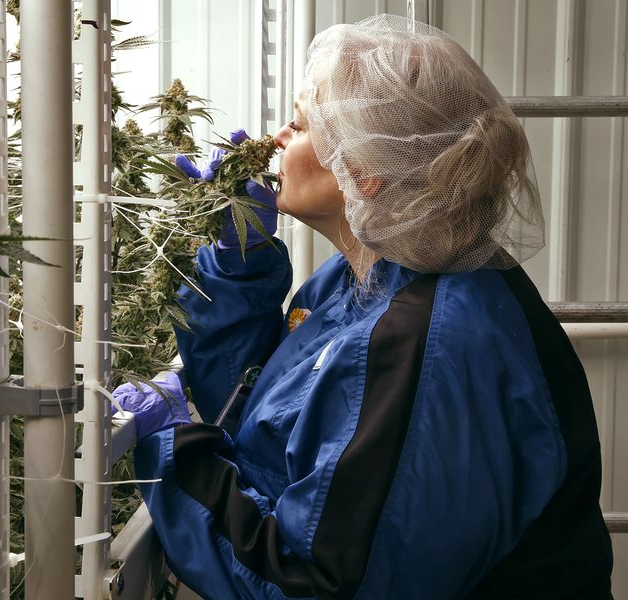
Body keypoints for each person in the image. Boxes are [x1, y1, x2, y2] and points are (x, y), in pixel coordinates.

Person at [113, 15, 614, 600]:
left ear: (366, 171)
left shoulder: (430, 344)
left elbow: (314, 583)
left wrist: (173, 454)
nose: (275, 140)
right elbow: (258, 415)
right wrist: (239, 266)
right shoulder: (373, 276)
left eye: (299, 126)